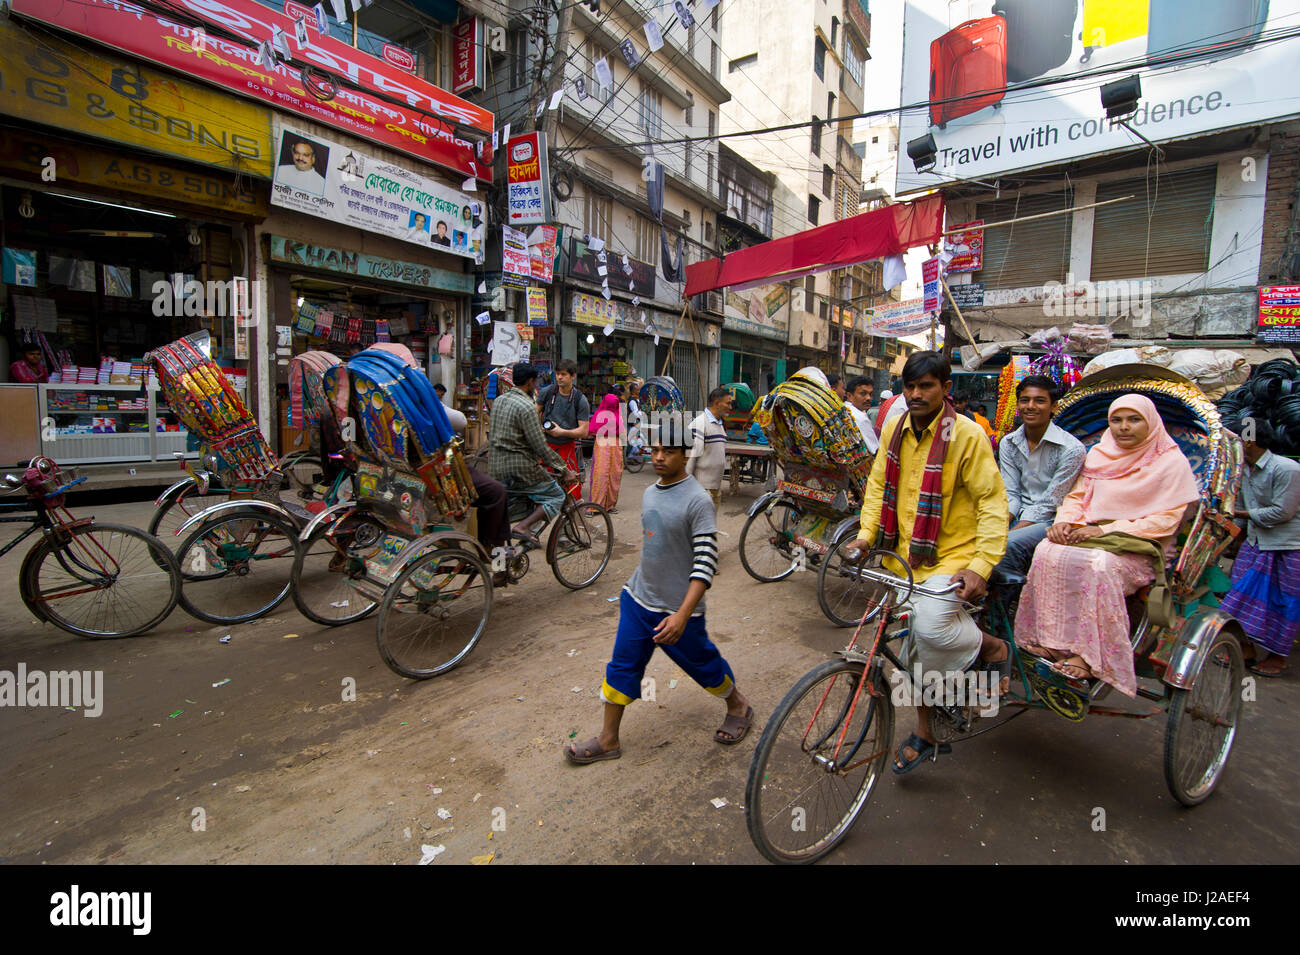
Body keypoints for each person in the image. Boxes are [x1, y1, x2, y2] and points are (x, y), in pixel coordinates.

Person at [844, 351, 1009, 774]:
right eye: (909, 386)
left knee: (932, 627)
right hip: (904, 558)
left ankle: (991, 647)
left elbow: (992, 502)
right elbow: (879, 484)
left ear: (945, 389)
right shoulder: (895, 428)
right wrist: (865, 537)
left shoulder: (967, 435)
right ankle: (925, 732)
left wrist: (981, 565)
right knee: (915, 650)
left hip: (954, 556)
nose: (915, 394)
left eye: (926, 386)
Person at [564, 422, 753, 764]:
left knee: (704, 666)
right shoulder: (651, 492)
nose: (659, 457)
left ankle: (738, 704)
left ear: (686, 454)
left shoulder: (697, 501)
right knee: (622, 665)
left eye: (668, 451)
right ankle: (608, 740)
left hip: (679, 611)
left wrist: (681, 615)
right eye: (655, 450)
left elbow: (705, 562)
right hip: (638, 600)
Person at [1015, 395, 1201, 697]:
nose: (1123, 428)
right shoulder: (1100, 454)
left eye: (1134, 420)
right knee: (1047, 551)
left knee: (1099, 566)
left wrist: (1106, 529)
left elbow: (1166, 520)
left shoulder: (1171, 462)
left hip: (1140, 545)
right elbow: (1078, 497)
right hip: (1091, 536)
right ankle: (1051, 641)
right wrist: (1066, 522)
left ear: (1150, 422)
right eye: (1117, 420)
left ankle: (1088, 656)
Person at [1219, 419, 1300, 677]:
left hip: (1288, 546)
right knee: (1239, 596)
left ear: (1249, 441)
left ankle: (1278, 658)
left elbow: (1282, 512)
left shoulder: (1287, 469)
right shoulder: (1243, 469)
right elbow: (1240, 510)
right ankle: (1245, 649)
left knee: (1283, 604)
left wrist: (1234, 513)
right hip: (1255, 543)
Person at [993, 375, 1086, 577]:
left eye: (1040, 401)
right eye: (1025, 400)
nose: (1030, 406)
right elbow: (1010, 492)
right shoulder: (1008, 443)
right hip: (1016, 513)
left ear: (1054, 407)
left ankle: (1006, 602)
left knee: (1006, 544)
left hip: (1051, 520)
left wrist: (1013, 531)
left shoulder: (1071, 449)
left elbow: (1050, 502)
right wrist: (1000, 523)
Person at [487, 362, 578, 547]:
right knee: (556, 495)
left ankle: (503, 565)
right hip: (520, 467)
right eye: (535, 382)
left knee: (505, 513)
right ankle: (524, 527)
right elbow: (540, 446)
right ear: (530, 382)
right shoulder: (527, 406)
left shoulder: (498, 401)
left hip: (495, 467)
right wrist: (563, 469)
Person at [536, 358, 590, 479]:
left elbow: (584, 431)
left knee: (570, 486)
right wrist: (539, 427)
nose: (559, 377)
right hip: (545, 446)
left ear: (573, 376)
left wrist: (561, 432)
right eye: (557, 374)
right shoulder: (547, 392)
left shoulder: (580, 400)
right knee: (543, 483)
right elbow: (534, 413)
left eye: (563, 374)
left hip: (567, 446)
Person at [686, 387, 732, 511]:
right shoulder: (700, 424)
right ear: (717, 403)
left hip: (714, 488)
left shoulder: (719, 424)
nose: (730, 407)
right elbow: (691, 458)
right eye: (728, 403)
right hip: (701, 489)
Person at [588, 393, 624, 513]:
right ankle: (596, 506)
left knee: (613, 474)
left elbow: (592, 431)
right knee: (602, 473)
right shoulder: (615, 415)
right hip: (606, 445)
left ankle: (609, 505)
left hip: (609, 445)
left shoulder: (606, 414)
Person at [844, 374, 880, 454]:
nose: (868, 398)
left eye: (870, 394)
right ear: (849, 396)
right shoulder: (859, 417)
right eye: (863, 394)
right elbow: (875, 450)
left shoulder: (844, 409)